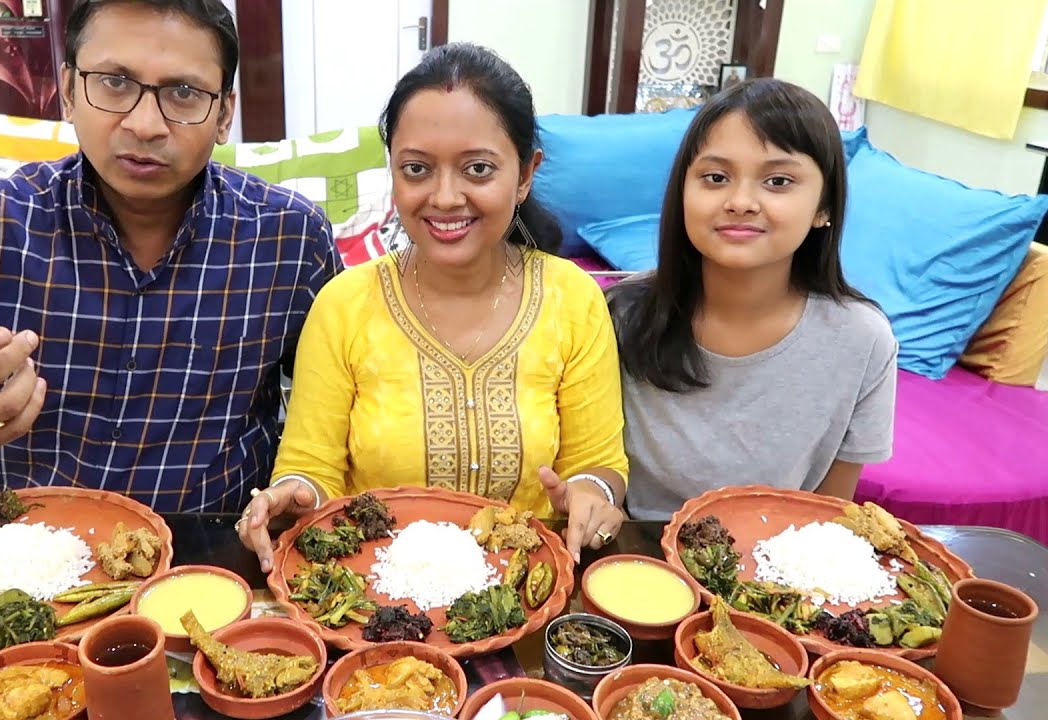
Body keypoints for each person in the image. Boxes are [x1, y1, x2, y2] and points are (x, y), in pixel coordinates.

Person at [0, 0, 340, 512]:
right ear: (70, 91)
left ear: (224, 115)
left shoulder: (288, 237)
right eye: (115, 83)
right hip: (33, 566)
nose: (145, 125)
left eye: (185, 94)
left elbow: (345, 398)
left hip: (219, 561)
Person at [238, 43, 628, 571]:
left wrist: (590, 492)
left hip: (528, 590)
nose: (444, 198)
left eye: (478, 169)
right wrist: (293, 495)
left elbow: (596, 463)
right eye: (417, 169)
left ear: (526, 174)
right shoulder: (345, 304)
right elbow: (310, 466)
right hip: (373, 602)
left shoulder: (573, 299)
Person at [608, 78, 897, 521]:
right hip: (635, 563)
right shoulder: (621, 316)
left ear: (824, 207)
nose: (741, 201)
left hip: (773, 568)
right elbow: (596, 469)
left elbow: (827, 513)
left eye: (778, 181)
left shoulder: (864, 341)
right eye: (716, 177)